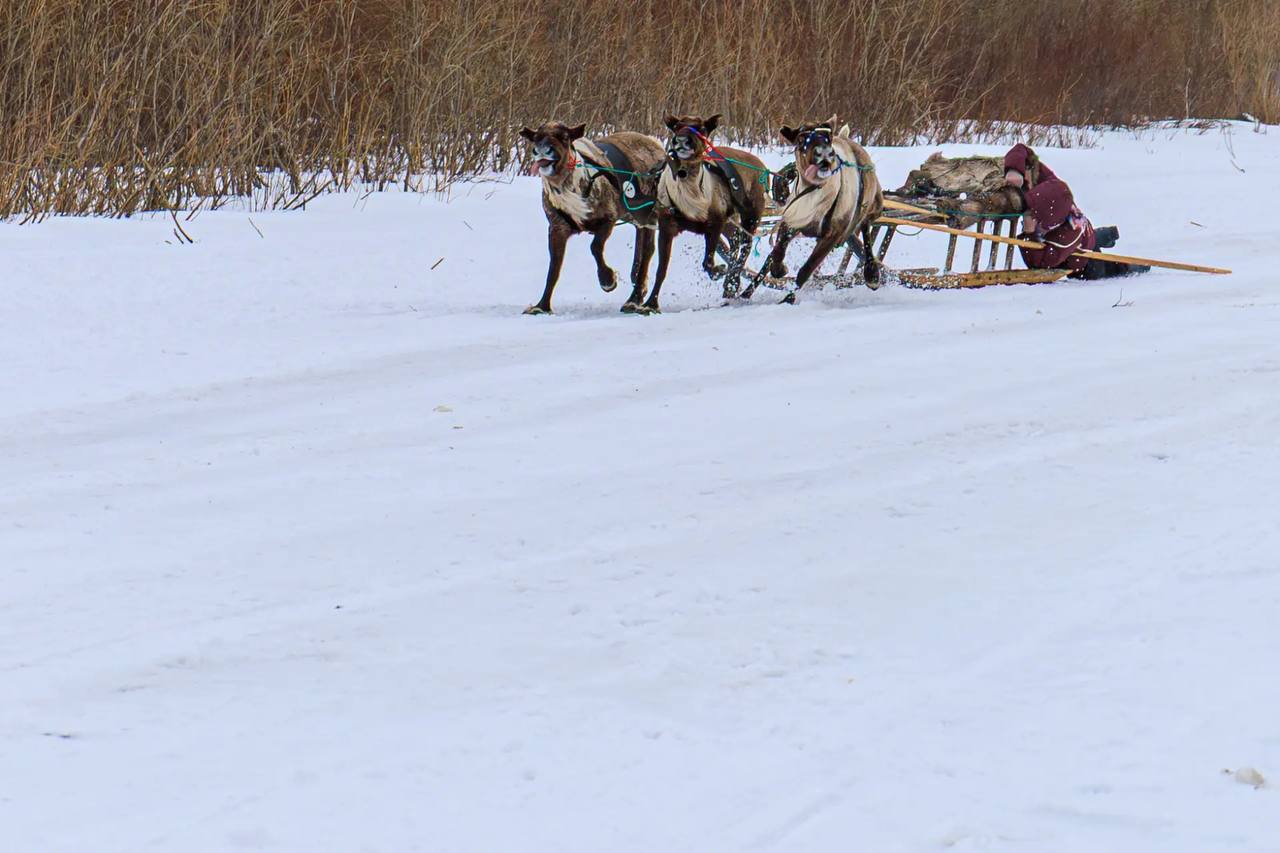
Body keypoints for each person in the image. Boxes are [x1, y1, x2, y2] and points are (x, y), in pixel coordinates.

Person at [1003, 143, 1147, 279]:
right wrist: (1015, 170)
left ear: (1047, 218)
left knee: (1105, 266)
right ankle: (1102, 235)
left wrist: (1029, 234)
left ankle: (1134, 267)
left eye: (1031, 212)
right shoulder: (1044, 180)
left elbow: (1039, 264)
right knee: (1088, 236)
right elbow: (1022, 150)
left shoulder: (1065, 237)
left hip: (1083, 262)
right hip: (1081, 227)